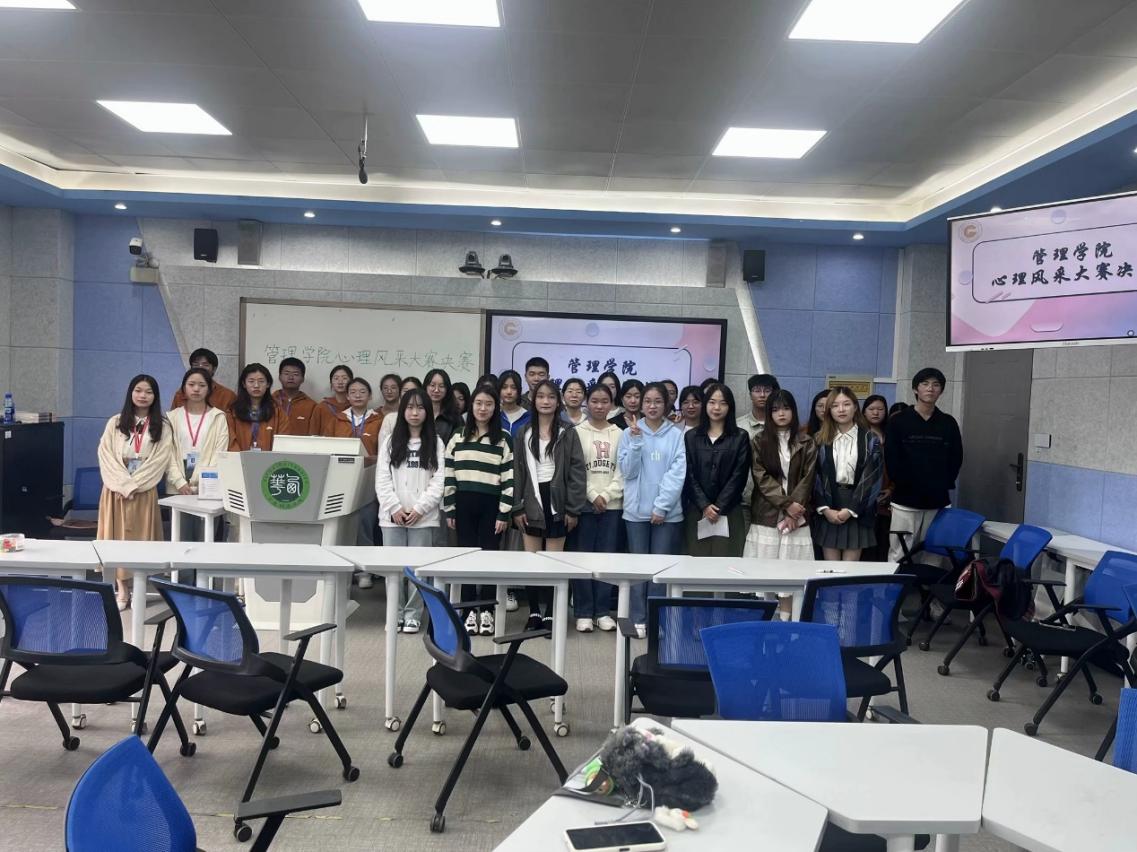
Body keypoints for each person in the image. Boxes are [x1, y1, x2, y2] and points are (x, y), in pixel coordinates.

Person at [512, 380, 586, 632]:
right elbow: (517, 472)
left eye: (551, 397)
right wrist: (517, 507)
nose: (545, 401)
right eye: (541, 396)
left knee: (555, 562)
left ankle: (552, 613)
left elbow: (577, 472)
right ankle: (534, 612)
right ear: (533, 401)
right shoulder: (523, 432)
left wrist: (573, 508)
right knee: (531, 563)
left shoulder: (568, 431)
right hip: (530, 499)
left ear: (558, 401)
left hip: (558, 501)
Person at [97, 374, 174, 610]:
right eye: (138, 390)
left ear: (155, 396)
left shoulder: (163, 426)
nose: (143, 396)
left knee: (141, 542)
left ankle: (139, 589)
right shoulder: (115, 422)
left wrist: (134, 485)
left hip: (143, 492)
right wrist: (122, 485)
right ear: (131, 393)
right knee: (117, 540)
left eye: (148, 392)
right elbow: (105, 455)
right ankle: (122, 591)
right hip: (115, 492)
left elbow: (159, 460)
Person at [443, 384, 514, 635]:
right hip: (463, 503)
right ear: (471, 406)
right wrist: (450, 508)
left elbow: (509, 477)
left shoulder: (503, 438)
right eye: (479, 403)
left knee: (490, 558)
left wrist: (504, 512)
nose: (483, 408)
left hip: (491, 505)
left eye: (489, 404)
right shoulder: (458, 436)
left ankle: (487, 610)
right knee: (467, 557)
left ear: (496, 408)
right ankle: (468, 610)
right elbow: (449, 473)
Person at [619, 382, 686, 636]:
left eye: (658, 401)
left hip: (667, 514)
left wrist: (661, 507)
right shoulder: (629, 433)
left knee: (659, 569)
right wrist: (636, 441)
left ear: (666, 404)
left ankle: (657, 619)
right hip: (635, 512)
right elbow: (627, 472)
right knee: (638, 569)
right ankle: (638, 617)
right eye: (647, 401)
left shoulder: (676, 435)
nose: (652, 406)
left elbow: (676, 474)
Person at [376, 387, 445, 634]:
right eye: (410, 407)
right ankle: (394, 613)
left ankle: (413, 613)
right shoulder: (390, 442)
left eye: (420, 408)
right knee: (393, 568)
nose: (415, 413)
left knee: (417, 568)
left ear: (427, 412)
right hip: (391, 517)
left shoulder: (436, 442)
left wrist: (419, 509)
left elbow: (439, 480)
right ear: (403, 411)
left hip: (423, 518)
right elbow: (382, 479)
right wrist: (394, 508)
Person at [884, 368, 963, 563]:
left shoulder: (948, 422)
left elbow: (956, 458)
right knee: (899, 551)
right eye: (925, 384)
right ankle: (897, 582)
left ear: (941, 391)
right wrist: (902, 483)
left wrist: (943, 483)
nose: (930, 389)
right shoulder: (898, 421)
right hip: (905, 500)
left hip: (937, 500)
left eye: (936, 385)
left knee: (934, 552)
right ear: (915, 389)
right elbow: (891, 458)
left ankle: (928, 583)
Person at [572, 383, 624, 632]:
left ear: (611, 404)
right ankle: (583, 612)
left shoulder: (619, 433)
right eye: (594, 401)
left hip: (612, 506)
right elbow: (575, 469)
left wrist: (606, 495)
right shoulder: (577, 432)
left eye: (605, 401)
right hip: (584, 505)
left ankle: (602, 611)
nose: (600, 406)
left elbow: (623, 470)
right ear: (587, 403)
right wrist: (593, 495)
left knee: (606, 559)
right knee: (582, 558)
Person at [813, 387, 883, 562]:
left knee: (850, 571)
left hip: (858, 506)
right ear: (829, 410)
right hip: (829, 503)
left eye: (846, 404)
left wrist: (851, 509)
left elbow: (873, 477)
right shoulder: (819, 439)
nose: (841, 409)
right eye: (835, 405)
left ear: (855, 407)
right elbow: (814, 476)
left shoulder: (870, 439)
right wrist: (825, 509)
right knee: (830, 570)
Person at [748, 389, 816, 562]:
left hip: (798, 512)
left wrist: (793, 511)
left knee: (794, 567)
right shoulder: (759, 440)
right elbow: (761, 478)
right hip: (767, 511)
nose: (781, 413)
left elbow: (808, 479)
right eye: (775, 409)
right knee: (764, 566)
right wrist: (787, 504)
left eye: (786, 408)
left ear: (793, 411)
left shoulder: (806, 441)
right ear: (769, 413)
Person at [683, 383, 751, 557]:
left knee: (726, 562)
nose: (717, 408)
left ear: (730, 407)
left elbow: (739, 475)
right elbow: (689, 474)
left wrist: (719, 506)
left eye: (723, 403)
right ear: (705, 405)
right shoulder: (691, 436)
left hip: (729, 510)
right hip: (698, 510)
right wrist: (705, 505)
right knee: (697, 562)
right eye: (712, 402)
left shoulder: (740, 437)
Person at [165, 367, 230, 501]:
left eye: (202, 385)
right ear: (184, 388)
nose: (196, 389)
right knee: (178, 515)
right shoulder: (172, 417)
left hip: (208, 485)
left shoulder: (218, 417)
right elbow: (167, 453)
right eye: (191, 384)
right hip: (177, 484)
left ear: (209, 389)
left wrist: (204, 481)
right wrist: (179, 482)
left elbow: (220, 453)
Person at [227, 363, 288, 451]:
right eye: (251, 381)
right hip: (239, 458)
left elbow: (283, 442)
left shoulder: (278, 412)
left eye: (261, 381)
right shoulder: (232, 412)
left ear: (268, 384)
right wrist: (240, 458)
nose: (256, 385)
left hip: (270, 459)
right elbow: (231, 441)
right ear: (244, 384)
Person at [326, 377, 383, 458]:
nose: (357, 395)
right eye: (353, 392)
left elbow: (384, 451)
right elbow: (327, 447)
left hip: (370, 465)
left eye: (362, 392)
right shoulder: (337, 420)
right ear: (347, 396)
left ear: (370, 396)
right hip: (340, 464)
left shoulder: (378, 420)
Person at [171, 348, 236, 412]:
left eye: (205, 365)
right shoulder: (181, 394)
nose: (200, 368)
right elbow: (173, 417)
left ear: (214, 369)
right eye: (196, 364)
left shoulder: (227, 396)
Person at [273, 357, 320, 435]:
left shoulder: (312, 406)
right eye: (286, 373)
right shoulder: (269, 402)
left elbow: (314, 434)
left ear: (302, 379)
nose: (290, 377)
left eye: (296, 374)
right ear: (279, 377)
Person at [424, 368, 462, 449]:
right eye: (432, 385)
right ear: (425, 387)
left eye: (441, 386)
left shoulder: (455, 417)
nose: (436, 390)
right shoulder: (418, 413)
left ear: (447, 389)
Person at [315, 364, 354, 431]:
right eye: (336, 378)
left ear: (351, 382)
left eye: (344, 378)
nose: (340, 382)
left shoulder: (356, 406)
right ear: (331, 383)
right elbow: (313, 433)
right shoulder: (322, 407)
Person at [498, 369, 531, 439]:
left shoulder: (528, 417)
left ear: (519, 390)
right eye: (504, 387)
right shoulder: (494, 415)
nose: (509, 392)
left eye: (513, 388)